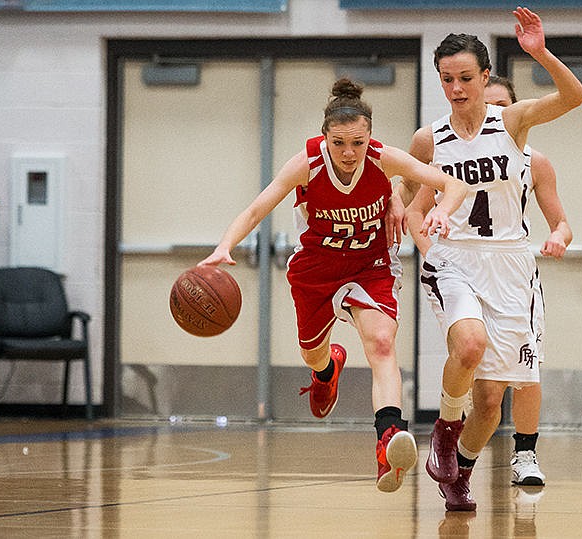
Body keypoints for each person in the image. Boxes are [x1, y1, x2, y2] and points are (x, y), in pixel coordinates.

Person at [199, 77, 467, 493]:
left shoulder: (383, 159)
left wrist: (443, 211)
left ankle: (388, 438)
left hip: (370, 264)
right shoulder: (306, 164)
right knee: (311, 351)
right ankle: (327, 370)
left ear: (369, 137)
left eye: (357, 142)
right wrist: (223, 246)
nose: (348, 152)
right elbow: (257, 209)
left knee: (381, 343)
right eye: (339, 142)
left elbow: (452, 184)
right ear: (325, 136)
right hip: (316, 268)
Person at [404, 7, 582, 511]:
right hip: (455, 260)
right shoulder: (428, 140)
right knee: (468, 346)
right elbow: (412, 211)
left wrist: (540, 53)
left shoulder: (512, 120)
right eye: (446, 80)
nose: (457, 88)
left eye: (466, 78)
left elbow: (575, 97)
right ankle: (443, 425)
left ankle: (460, 469)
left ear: (486, 77)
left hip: (510, 264)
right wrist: (432, 248)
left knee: (490, 399)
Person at [485, 75, 572, 487]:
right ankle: (460, 438)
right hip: (468, 271)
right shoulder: (451, 153)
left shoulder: (534, 161)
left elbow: (562, 223)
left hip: (515, 274)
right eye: (489, 107)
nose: (497, 114)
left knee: (526, 368)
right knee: (474, 365)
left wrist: (557, 235)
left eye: (503, 105)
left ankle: (525, 453)